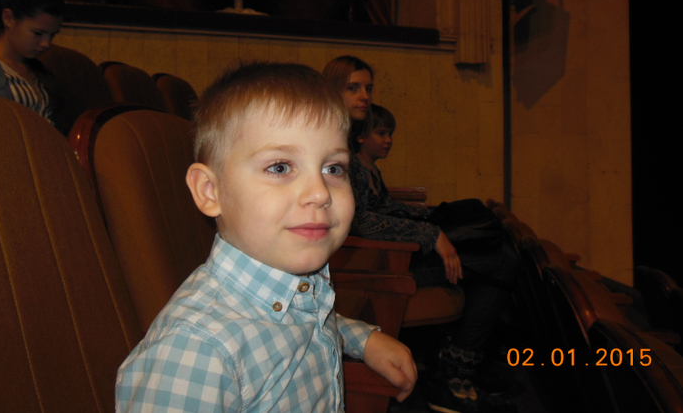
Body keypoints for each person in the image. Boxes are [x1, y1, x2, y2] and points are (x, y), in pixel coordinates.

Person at [115, 62, 417, 412]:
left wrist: (361, 339)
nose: (320, 193)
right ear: (210, 191)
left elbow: (304, 313)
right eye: (280, 167)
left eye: (333, 168)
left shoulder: (298, 283)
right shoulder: (196, 352)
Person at [323, 56, 518, 413]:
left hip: (382, 253)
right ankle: (455, 373)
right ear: (332, 91)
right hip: (370, 263)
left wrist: (433, 220)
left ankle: (465, 365)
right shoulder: (335, 146)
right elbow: (358, 222)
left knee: (497, 249)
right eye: (353, 88)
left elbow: (378, 206)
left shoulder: (345, 141)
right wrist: (430, 233)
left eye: (368, 88)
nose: (365, 96)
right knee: (501, 261)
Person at [0, 0, 71, 134]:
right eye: (38, 33)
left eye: (52, 35)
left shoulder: (38, 70)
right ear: (8, 18)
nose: (46, 43)